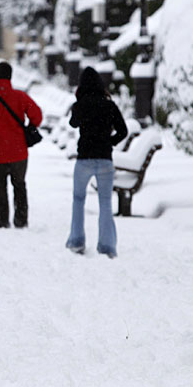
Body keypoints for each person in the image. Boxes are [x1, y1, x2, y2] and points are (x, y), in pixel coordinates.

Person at [66, 67, 128, 257]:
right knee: (106, 203)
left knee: (78, 200)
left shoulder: (80, 104)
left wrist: (80, 105)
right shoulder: (109, 105)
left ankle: (77, 241)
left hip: (84, 159)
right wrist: (109, 142)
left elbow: (73, 123)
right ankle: (107, 246)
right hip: (104, 160)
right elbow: (123, 131)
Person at [0, 61, 43, 229]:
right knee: (19, 185)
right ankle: (21, 220)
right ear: (11, 77)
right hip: (18, 151)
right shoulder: (20, 97)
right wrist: (30, 127)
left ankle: (2, 221)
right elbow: (37, 115)